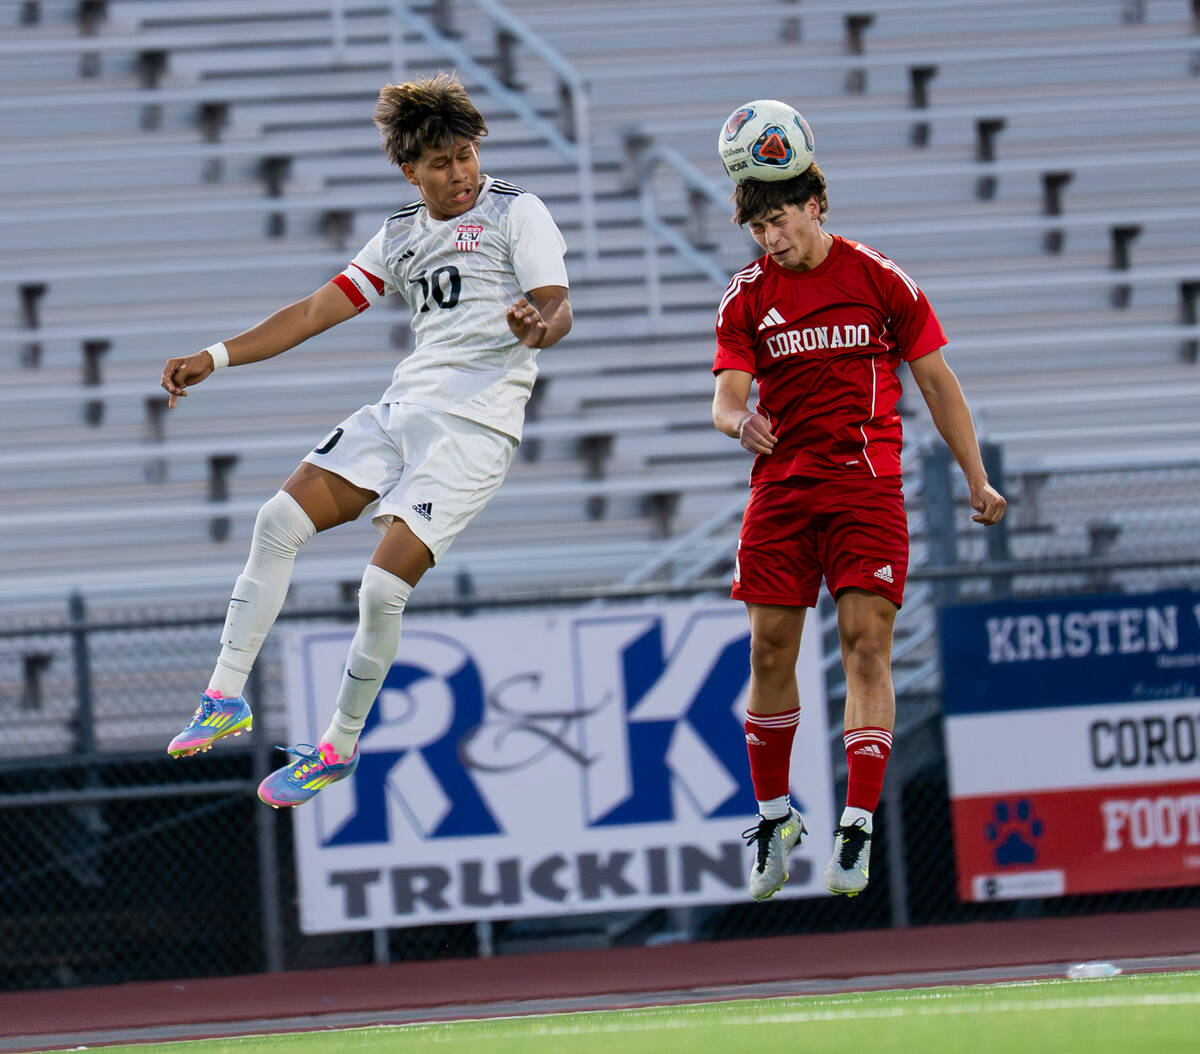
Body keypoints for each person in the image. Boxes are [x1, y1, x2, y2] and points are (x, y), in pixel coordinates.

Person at [159, 72, 572, 809]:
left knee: (380, 588)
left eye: (466, 155)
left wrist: (537, 326)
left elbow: (555, 304)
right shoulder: (402, 234)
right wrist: (215, 356)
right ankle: (223, 697)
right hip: (403, 409)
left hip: (473, 430)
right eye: (441, 163)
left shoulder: (517, 212)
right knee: (276, 521)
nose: (460, 174)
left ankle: (337, 748)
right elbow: (317, 310)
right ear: (409, 170)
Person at [711, 155, 1006, 900]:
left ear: (815, 204)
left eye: (778, 221)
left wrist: (975, 476)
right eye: (757, 227)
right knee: (769, 649)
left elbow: (938, 381)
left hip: (865, 491)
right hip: (781, 494)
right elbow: (725, 397)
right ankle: (775, 818)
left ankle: (856, 826)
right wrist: (736, 421)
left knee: (865, 647)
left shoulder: (880, 279)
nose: (769, 239)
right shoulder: (746, 296)